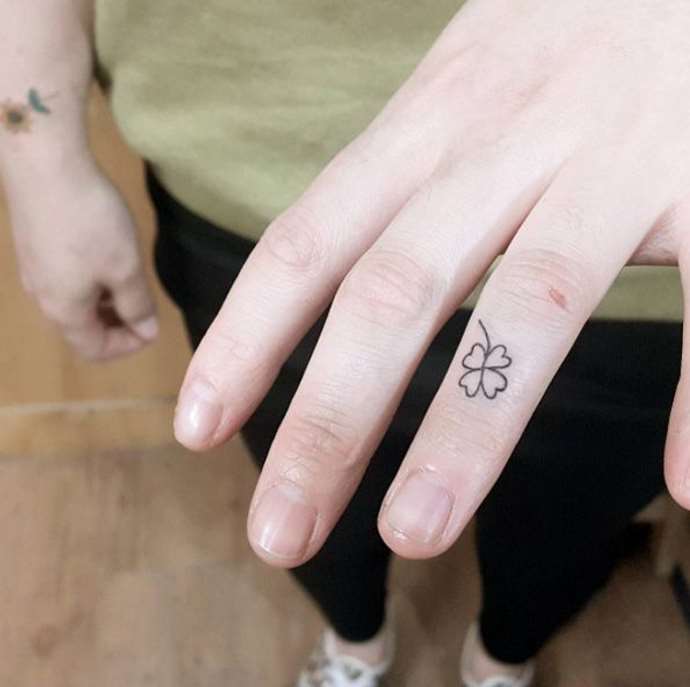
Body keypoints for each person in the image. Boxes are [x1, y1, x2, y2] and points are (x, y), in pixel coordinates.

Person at [3, 1, 689, 685]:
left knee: (561, 529)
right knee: (307, 489)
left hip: (625, 227)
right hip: (258, 186)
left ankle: (503, 656)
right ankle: (356, 641)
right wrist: (35, 146)